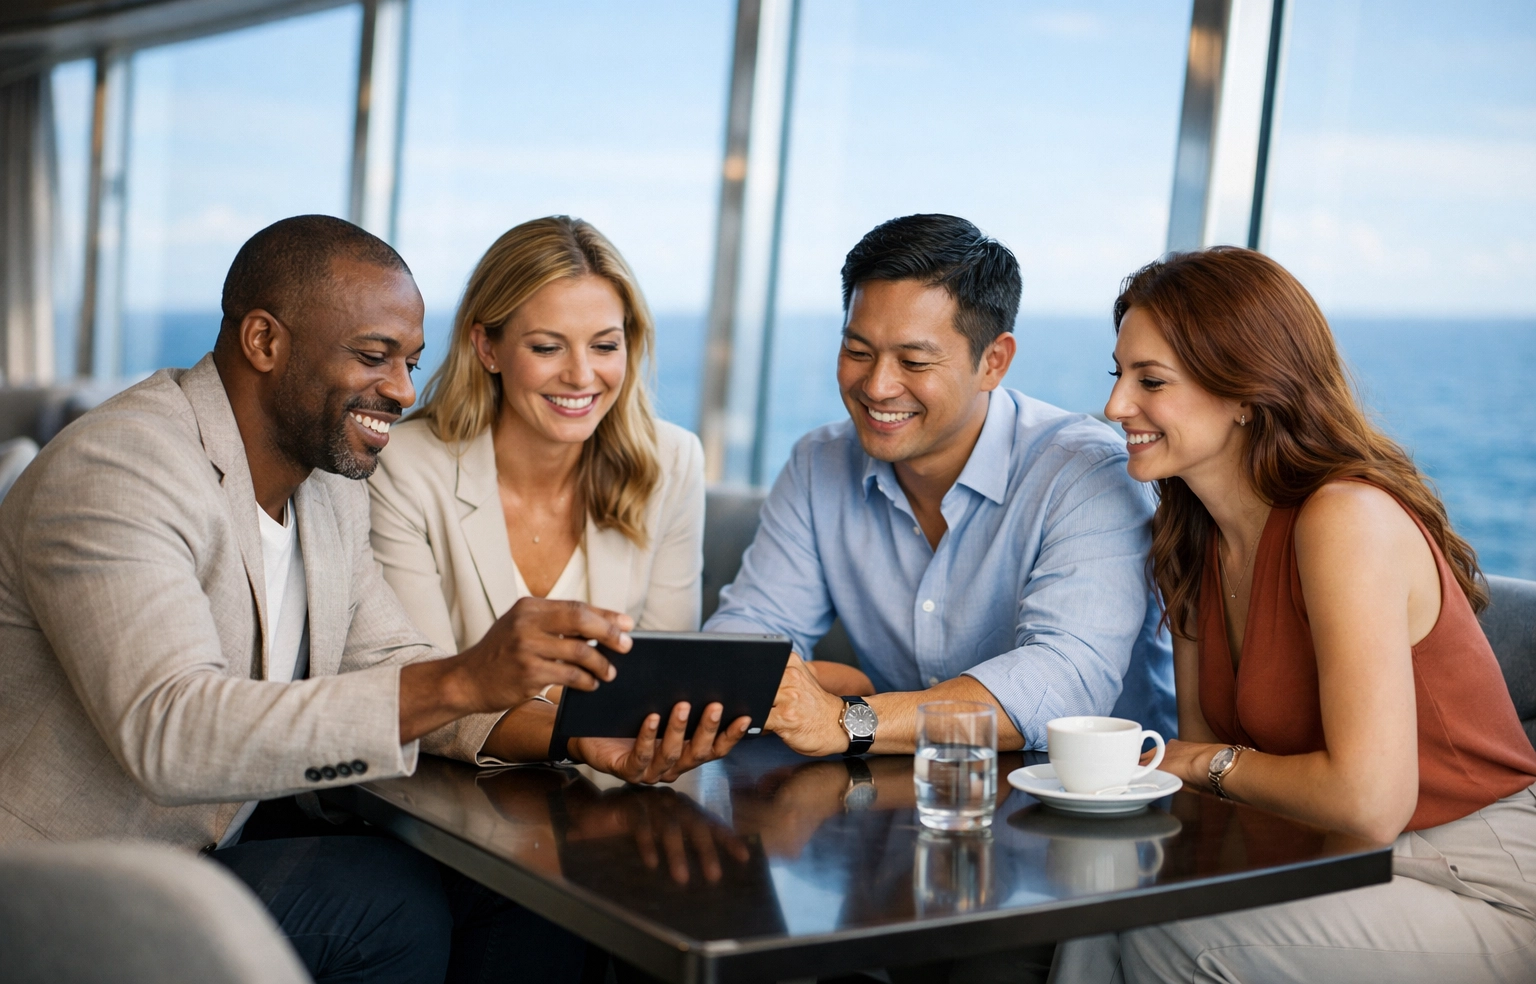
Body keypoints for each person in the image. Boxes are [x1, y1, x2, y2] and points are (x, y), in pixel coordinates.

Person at [0, 214, 695, 984]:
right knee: (382, 908)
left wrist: (576, 734)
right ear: (265, 342)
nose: (402, 391)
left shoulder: (325, 490)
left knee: (528, 889)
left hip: (207, 855)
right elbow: (172, 729)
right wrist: (464, 676)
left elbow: (393, 663)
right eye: (374, 357)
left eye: (410, 361)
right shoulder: (123, 468)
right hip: (53, 887)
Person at [1053, 247, 1536, 982]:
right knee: (1098, 908)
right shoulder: (1192, 541)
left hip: (1479, 871)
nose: (1117, 405)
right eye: (1117, 376)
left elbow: (1367, 803)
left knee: (1177, 937)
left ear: (1245, 392)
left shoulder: (1345, 520)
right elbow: (1206, 782)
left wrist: (1200, 764)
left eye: (1150, 380)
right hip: (1339, 857)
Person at [706, 213, 1176, 760]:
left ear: (993, 362)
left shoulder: (1086, 472)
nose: (877, 386)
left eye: (914, 360)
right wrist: (759, 682)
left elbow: (1061, 682)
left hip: (1087, 815)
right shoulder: (819, 464)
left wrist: (850, 718)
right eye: (858, 352)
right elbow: (751, 634)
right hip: (904, 805)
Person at [368, 216, 745, 782]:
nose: (581, 375)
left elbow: (664, 683)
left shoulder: (672, 463)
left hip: (616, 794)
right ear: (487, 347)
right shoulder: (402, 466)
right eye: (547, 347)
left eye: (604, 346)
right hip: (452, 798)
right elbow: (422, 695)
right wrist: (578, 734)